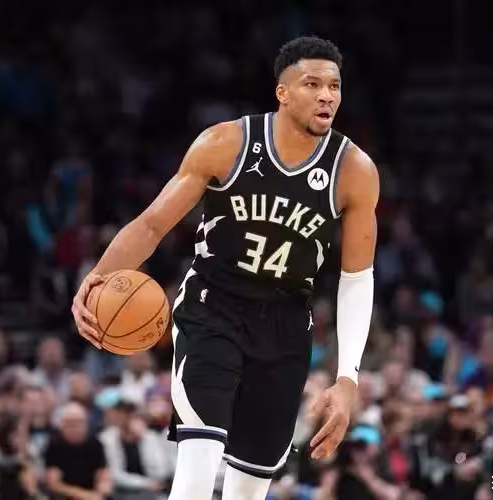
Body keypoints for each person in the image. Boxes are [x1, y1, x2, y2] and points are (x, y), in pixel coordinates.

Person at [71, 35, 379, 500]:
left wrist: (347, 378)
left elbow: (356, 278)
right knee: (196, 473)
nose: (326, 96)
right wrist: (95, 278)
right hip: (212, 308)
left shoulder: (354, 170)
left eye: (334, 86)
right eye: (312, 84)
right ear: (282, 92)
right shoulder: (226, 143)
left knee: (248, 491)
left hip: (285, 325)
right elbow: (153, 225)